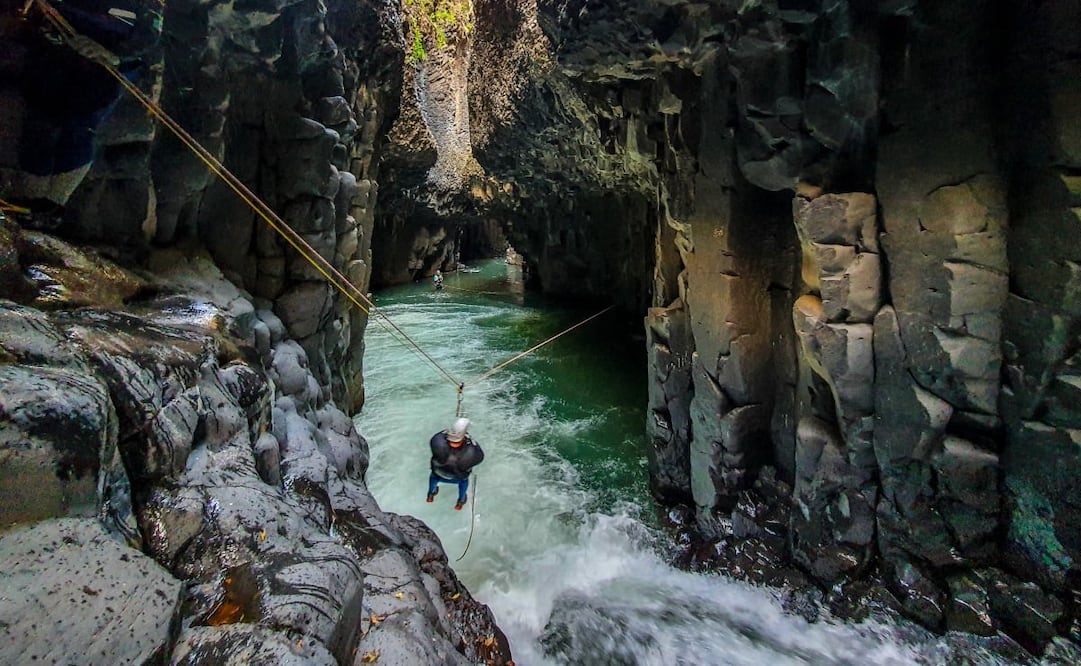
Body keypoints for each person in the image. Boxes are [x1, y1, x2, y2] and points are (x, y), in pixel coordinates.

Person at [427, 417, 484, 510]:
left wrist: (451, 431)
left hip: (438, 473)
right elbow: (479, 457)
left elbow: (441, 434)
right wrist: (469, 438)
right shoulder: (472, 453)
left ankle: (431, 494)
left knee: (433, 477)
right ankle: (460, 501)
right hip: (458, 477)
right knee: (464, 481)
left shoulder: (436, 441)